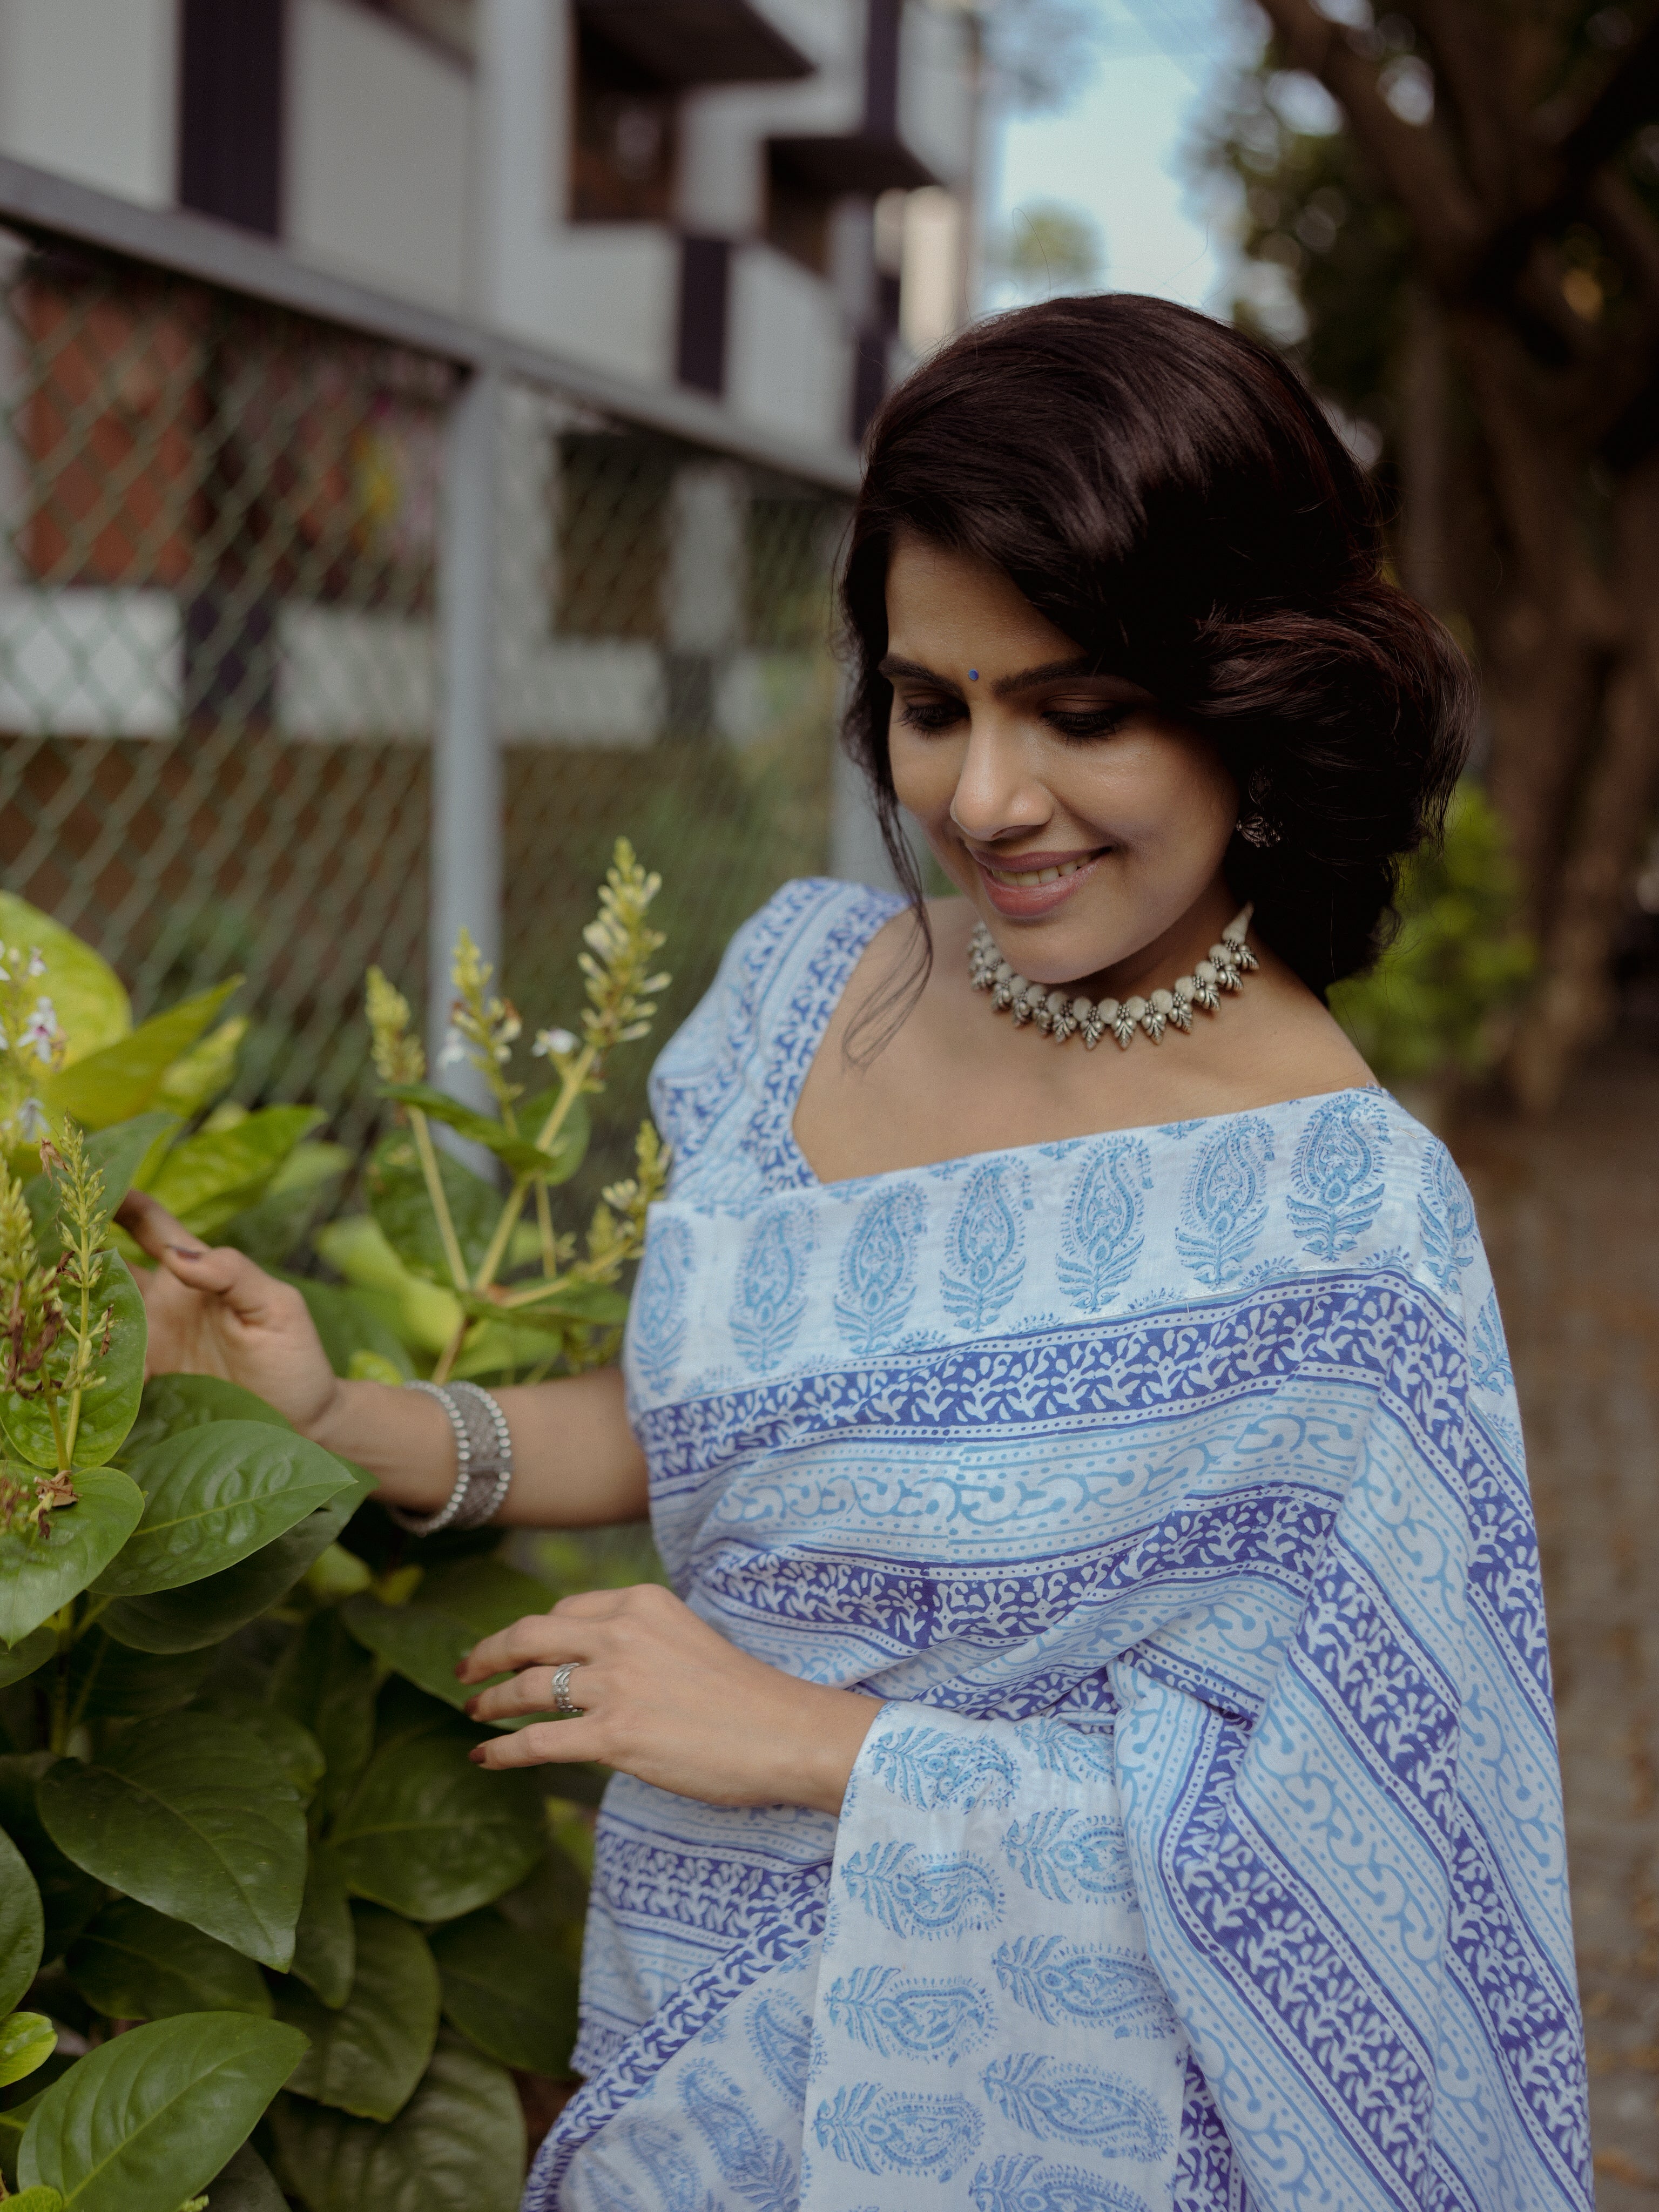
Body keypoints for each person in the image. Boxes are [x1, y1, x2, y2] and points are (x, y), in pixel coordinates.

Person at [122, 294, 1592, 2212]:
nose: (986, 799)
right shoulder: (811, 985)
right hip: (685, 2006)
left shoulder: (1343, 1223)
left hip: (1068, 2115)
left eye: (1080, 711)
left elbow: (1360, 1857)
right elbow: (716, 1420)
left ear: (1258, 701)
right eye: (932, 705)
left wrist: (832, 1751)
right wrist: (334, 1418)